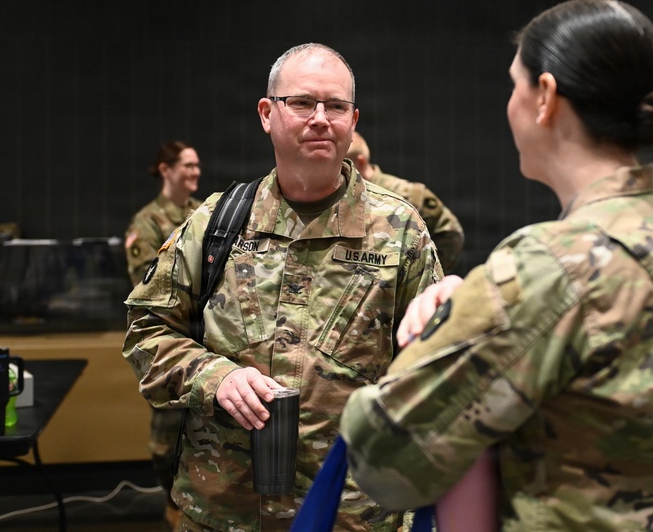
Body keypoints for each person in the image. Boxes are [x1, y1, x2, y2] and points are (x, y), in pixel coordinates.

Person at [340, 0, 653, 532]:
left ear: (545, 96)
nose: (509, 105)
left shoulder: (552, 267)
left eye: (514, 84)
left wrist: (444, 329)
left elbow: (382, 454)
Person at [122, 43, 443, 532]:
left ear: (353, 120)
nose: (320, 118)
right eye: (302, 103)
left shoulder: (400, 231)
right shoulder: (217, 223)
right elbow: (146, 329)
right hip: (225, 511)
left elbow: (438, 368)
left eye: (335, 106)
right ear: (268, 114)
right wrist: (214, 377)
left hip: (352, 512)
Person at [124, 139, 202, 532]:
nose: (195, 172)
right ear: (166, 169)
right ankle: (174, 504)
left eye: (197, 166)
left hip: (207, 340)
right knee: (165, 436)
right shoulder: (147, 223)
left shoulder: (204, 214)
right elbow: (146, 287)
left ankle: (195, 503)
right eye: (187, 165)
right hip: (170, 340)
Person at [347, 132, 465, 273]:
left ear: (360, 162)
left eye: (344, 163)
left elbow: (450, 234)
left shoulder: (408, 194)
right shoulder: (342, 196)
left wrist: (423, 274)